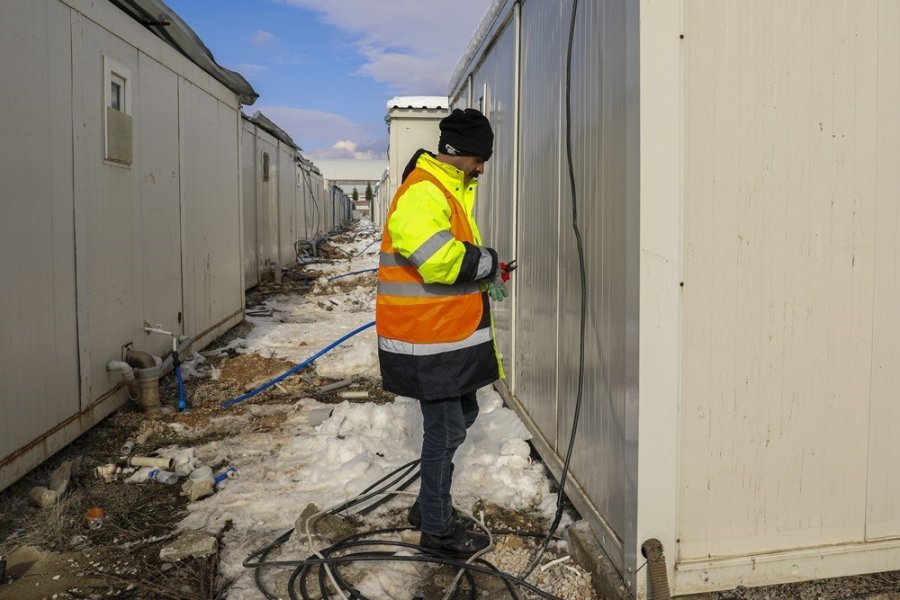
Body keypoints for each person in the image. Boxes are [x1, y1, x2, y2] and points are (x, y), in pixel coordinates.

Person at [376, 108, 507, 557]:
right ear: (460, 153)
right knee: (446, 430)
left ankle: (426, 504)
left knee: (461, 416)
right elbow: (436, 259)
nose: (482, 168)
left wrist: (482, 271)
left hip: (446, 336)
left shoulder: (448, 190)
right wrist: (485, 261)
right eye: (480, 158)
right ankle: (436, 527)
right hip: (425, 339)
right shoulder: (423, 192)